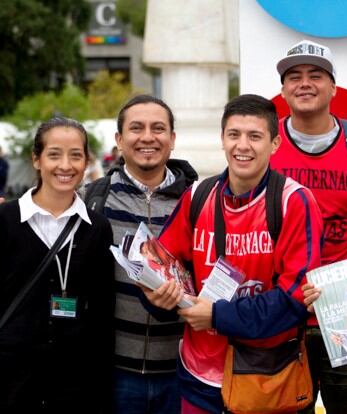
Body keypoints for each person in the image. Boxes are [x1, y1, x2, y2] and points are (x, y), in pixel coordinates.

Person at [142, 94, 323, 413]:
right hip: (198, 376)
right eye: (234, 135)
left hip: (266, 378)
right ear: (222, 139)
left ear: (275, 143)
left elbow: (295, 300)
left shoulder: (294, 202)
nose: (243, 146)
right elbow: (164, 261)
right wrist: (156, 296)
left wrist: (217, 315)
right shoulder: (198, 195)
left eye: (255, 136)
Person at [270, 38, 347, 414]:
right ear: (284, 89)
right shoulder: (267, 145)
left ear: (333, 87)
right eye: (294, 77)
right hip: (284, 312)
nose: (304, 83)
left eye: (315, 75)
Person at [83, 95, 198, 414]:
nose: (147, 136)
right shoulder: (93, 201)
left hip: (182, 372)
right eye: (136, 128)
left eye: (158, 128)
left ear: (172, 139)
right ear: (119, 140)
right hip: (115, 374)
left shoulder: (198, 203)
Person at [0, 117, 114, 413]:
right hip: (11, 384)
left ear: (87, 161)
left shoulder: (97, 228)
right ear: (36, 159)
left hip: (74, 387)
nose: (66, 165)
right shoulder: (6, 221)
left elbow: (102, 314)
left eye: (76, 155)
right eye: (54, 154)